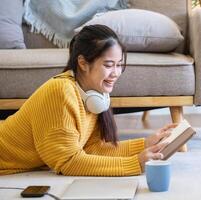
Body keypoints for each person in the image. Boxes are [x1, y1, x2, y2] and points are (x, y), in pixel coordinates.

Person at [0, 25, 176, 176]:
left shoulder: (93, 95)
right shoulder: (61, 91)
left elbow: (92, 148)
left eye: (119, 64)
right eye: (108, 65)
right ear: (83, 63)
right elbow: (68, 162)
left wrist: (146, 144)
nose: (116, 73)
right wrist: (135, 164)